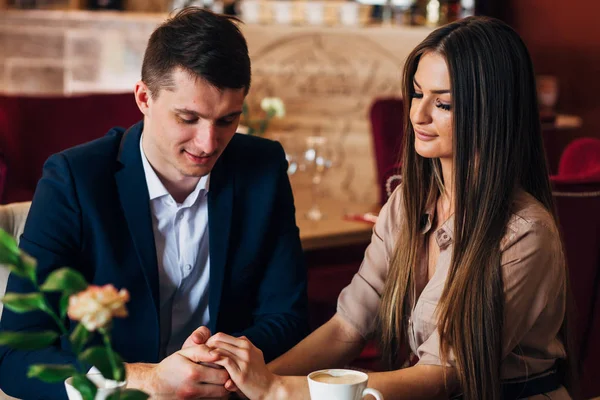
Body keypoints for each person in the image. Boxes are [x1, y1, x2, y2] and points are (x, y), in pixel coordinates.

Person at [203, 16, 575, 400]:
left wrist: (278, 390)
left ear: (493, 112)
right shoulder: (407, 203)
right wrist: (242, 387)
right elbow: (347, 328)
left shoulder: (524, 232)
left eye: (443, 103)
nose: (418, 115)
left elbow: (444, 374)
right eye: (417, 94)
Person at [0, 8, 308, 400]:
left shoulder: (262, 168)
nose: (209, 144)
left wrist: (211, 361)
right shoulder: (73, 180)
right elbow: (15, 354)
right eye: (188, 118)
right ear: (144, 97)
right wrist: (148, 379)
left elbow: (288, 315)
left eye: (227, 120)